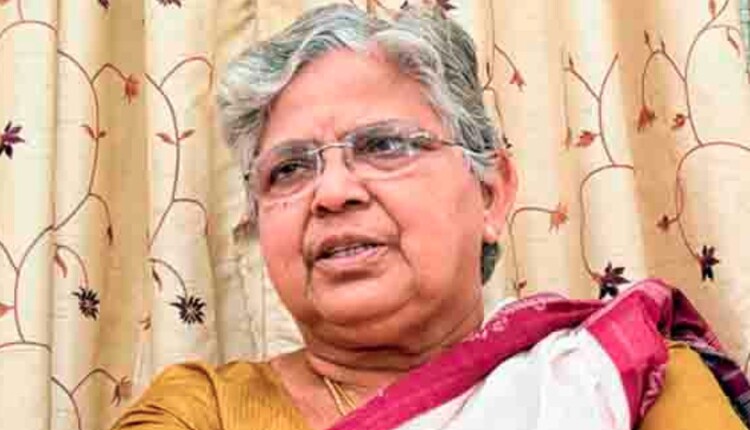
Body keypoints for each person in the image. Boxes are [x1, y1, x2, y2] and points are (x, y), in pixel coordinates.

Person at [111, 3, 750, 430]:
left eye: (383, 145)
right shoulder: (201, 412)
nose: (331, 192)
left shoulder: (626, 376)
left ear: (491, 193)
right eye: (289, 168)